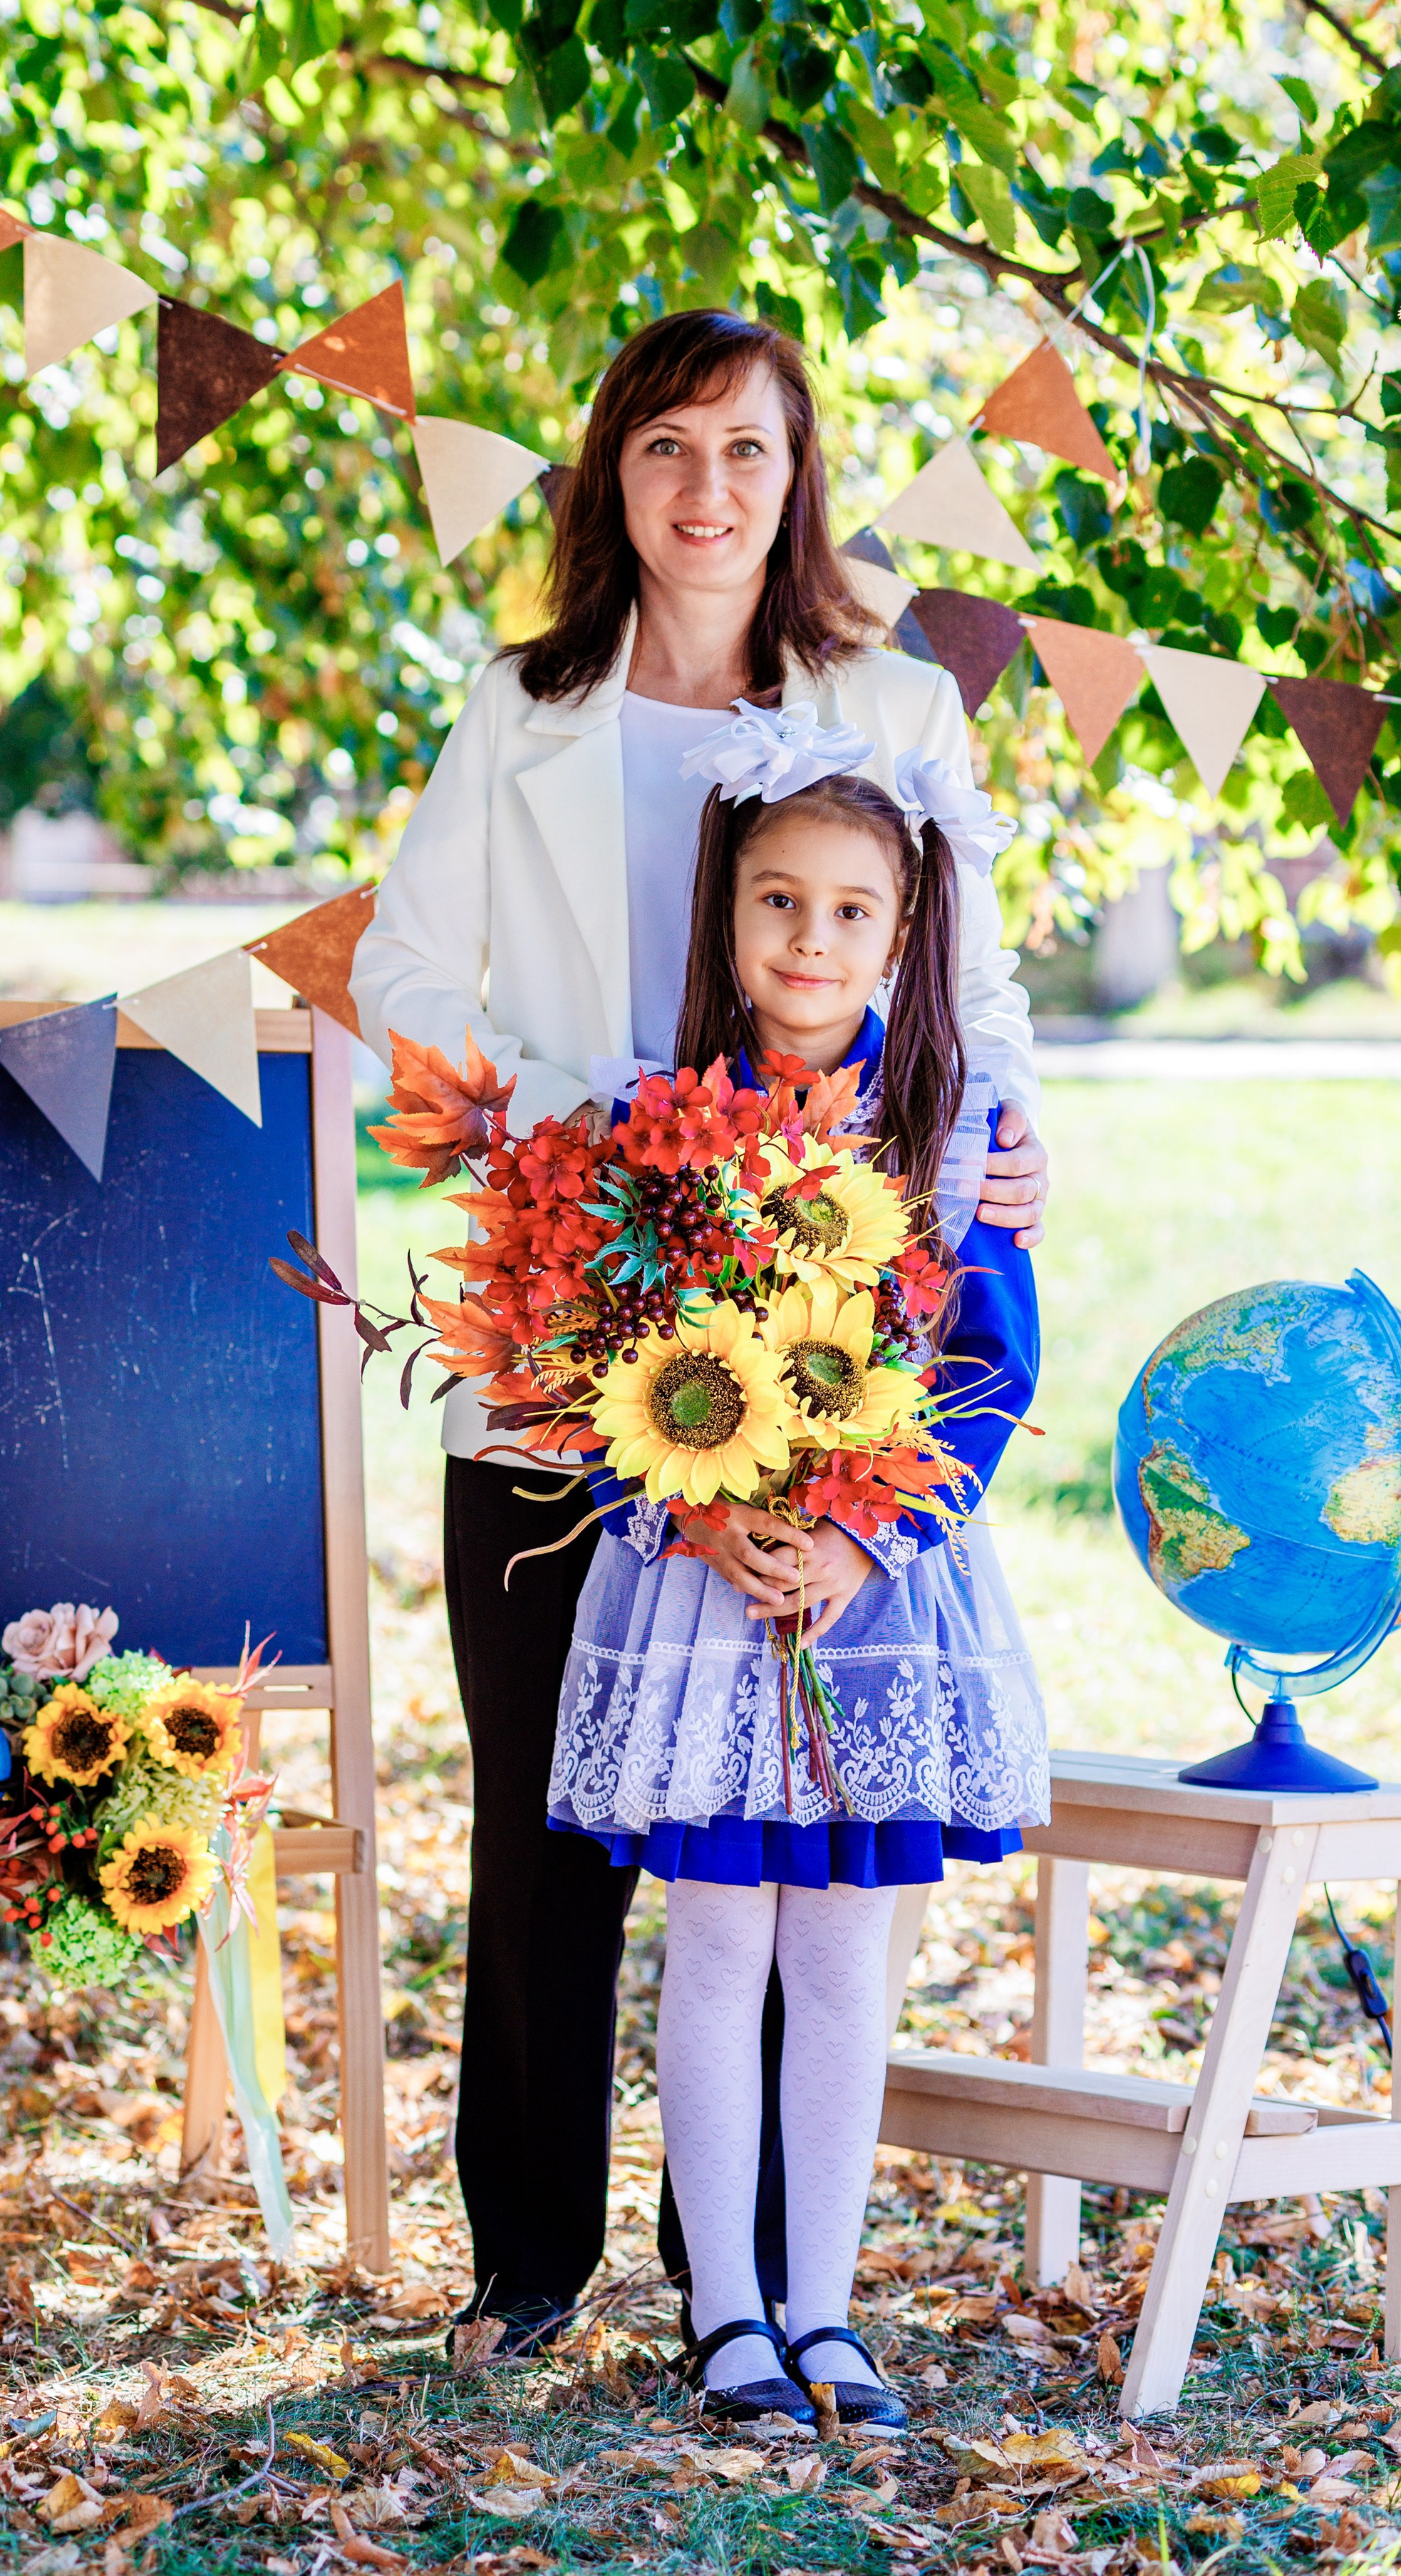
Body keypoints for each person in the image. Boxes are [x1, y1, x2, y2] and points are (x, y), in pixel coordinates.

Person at [349, 308, 1050, 2355]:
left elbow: (970, 989)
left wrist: (1006, 1149)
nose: (707, 490)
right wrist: (602, 1141)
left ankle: (737, 2282)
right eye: (664, 448)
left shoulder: (899, 699)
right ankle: (531, 2254)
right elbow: (402, 971)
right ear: (608, 475)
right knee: (550, 1793)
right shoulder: (523, 705)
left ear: (797, 470)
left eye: (746, 449)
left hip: (822, 1320)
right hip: (576, 1315)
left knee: (767, 1806)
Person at [548, 738, 1048, 2431]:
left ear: (903, 932)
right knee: (714, 1948)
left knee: (844, 1963)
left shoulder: (952, 1128)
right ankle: (725, 2320)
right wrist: (698, 1511)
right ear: (727, 915)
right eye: (777, 903)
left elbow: (985, 1367)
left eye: (849, 910)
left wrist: (858, 1538)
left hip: (875, 1595)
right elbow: (596, 1352)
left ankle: (825, 2312)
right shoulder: (655, 1121)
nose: (809, 941)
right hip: (704, 1585)